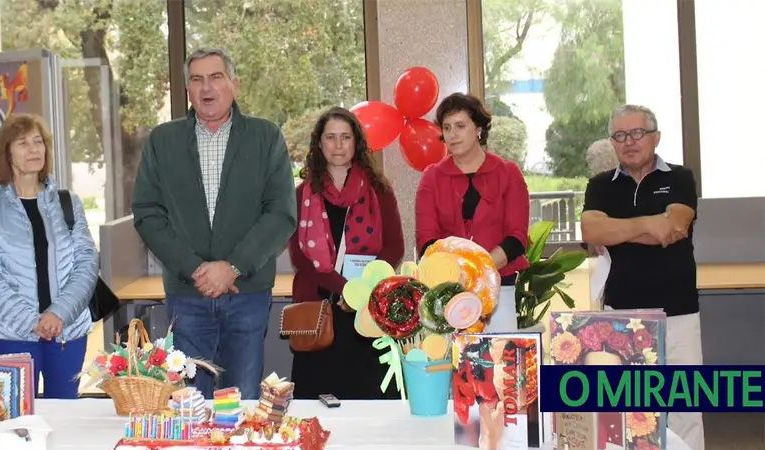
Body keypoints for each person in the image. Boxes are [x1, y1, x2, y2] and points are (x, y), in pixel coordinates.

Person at [132, 48, 297, 400]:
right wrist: (195, 269)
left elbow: (281, 213)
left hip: (248, 293)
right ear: (188, 89)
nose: (206, 87)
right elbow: (147, 213)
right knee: (189, 404)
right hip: (187, 294)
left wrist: (233, 267)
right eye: (197, 79)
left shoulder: (265, 137)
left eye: (216, 77)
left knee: (244, 402)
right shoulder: (163, 141)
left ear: (234, 84)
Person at [580, 104, 706, 450]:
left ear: (656, 137)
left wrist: (619, 230)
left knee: (685, 411)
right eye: (620, 136)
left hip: (678, 312)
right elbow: (591, 231)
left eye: (637, 133)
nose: (629, 142)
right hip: (621, 315)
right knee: (631, 414)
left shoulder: (680, 177)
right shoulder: (600, 185)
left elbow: (674, 229)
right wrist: (650, 223)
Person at [0, 113, 99, 399]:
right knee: (13, 421)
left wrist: (58, 314)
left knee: (65, 420)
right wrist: (33, 321)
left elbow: (87, 263)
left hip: (67, 332)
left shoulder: (68, 202)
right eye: (23, 143)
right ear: (7, 152)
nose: (34, 149)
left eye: (38, 142)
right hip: (11, 333)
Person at [288, 107, 405, 400]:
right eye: (331, 137)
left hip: (366, 312)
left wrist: (362, 291)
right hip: (320, 310)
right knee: (317, 403)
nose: (338, 146)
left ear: (357, 143)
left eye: (345, 137)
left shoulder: (379, 189)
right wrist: (345, 289)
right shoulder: (302, 194)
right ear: (319, 143)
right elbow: (300, 255)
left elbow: (395, 246)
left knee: (370, 402)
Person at [415, 93, 530, 333]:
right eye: (446, 128)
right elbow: (427, 241)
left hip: (499, 290)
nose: (452, 134)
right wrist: (457, 280)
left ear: (478, 128)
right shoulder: (432, 177)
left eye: (460, 126)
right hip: (448, 293)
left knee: (499, 365)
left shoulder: (508, 173)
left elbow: (517, 239)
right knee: (454, 368)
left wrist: (479, 276)